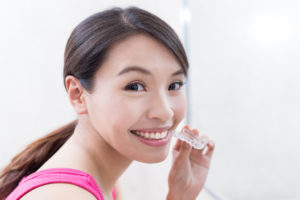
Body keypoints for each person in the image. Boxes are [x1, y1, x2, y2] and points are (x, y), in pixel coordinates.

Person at [0, 6, 215, 200]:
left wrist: (180, 196)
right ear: (77, 94)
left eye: (174, 85)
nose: (165, 112)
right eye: (135, 86)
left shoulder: (102, 180)